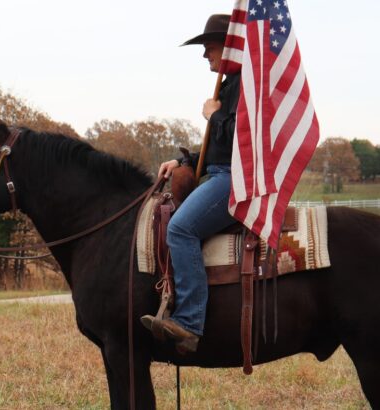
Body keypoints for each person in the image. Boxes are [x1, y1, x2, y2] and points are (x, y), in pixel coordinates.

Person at [141, 14, 240, 353]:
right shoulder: (230, 85)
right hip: (219, 172)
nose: (204, 55)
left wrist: (214, 115)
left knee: (181, 229)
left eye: (209, 47)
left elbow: (244, 139)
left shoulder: (247, 85)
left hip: (234, 181)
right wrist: (183, 161)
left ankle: (189, 323)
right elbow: (218, 145)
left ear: (229, 47)